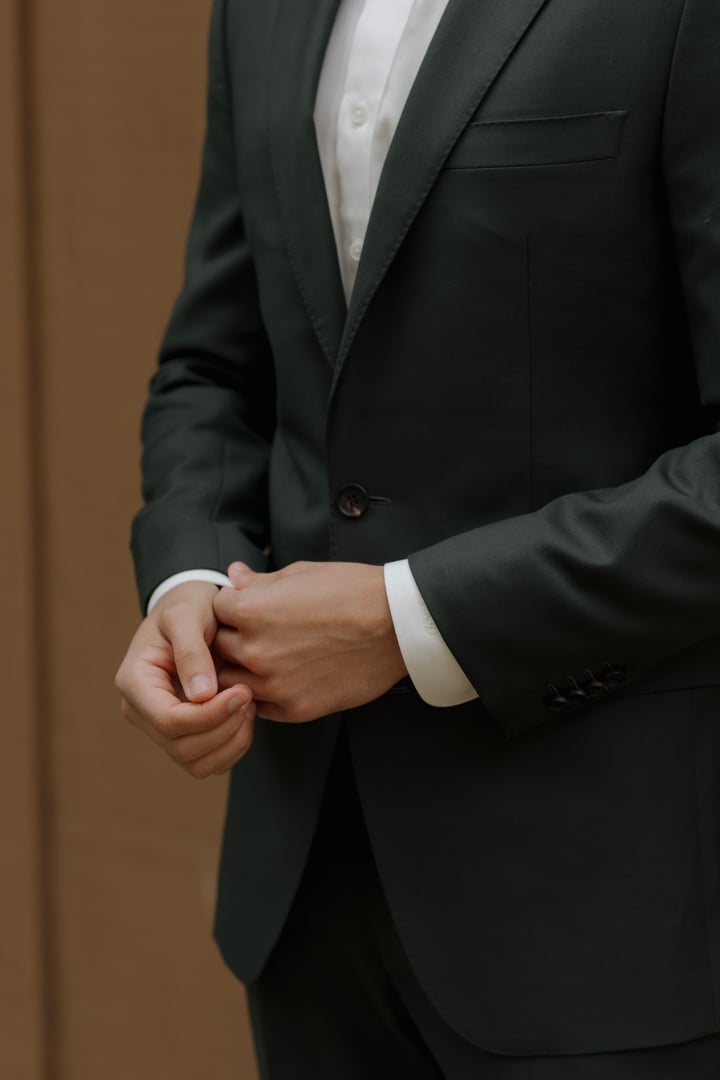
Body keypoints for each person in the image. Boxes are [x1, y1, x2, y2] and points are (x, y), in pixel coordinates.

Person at [115, 0, 720, 1075]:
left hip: (607, 911)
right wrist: (189, 579)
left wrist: (409, 622)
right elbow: (215, 368)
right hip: (307, 893)